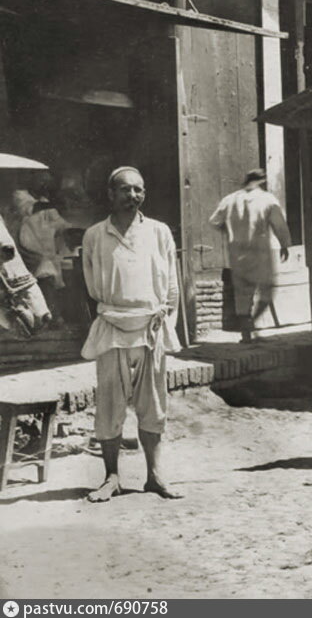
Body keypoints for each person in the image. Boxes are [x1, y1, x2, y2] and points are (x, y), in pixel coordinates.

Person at [81, 167, 183, 503]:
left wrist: (166, 319)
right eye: (125, 190)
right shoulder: (95, 235)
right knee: (109, 405)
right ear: (110, 194)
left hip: (151, 327)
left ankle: (154, 475)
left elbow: (171, 283)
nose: (133, 196)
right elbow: (92, 284)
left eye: (139, 190)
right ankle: (111, 477)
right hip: (112, 325)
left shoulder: (159, 232)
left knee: (153, 404)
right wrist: (113, 309)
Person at [209, 170, 292, 341]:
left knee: (243, 293)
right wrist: (284, 244)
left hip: (237, 253)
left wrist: (229, 231)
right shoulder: (267, 199)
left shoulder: (229, 200)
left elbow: (215, 221)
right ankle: (251, 323)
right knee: (267, 290)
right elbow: (279, 224)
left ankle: (246, 332)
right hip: (259, 252)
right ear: (261, 180)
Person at [19, 187, 72, 325]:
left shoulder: (46, 203)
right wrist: (54, 203)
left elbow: (61, 224)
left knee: (51, 275)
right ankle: (50, 316)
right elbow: (30, 208)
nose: (43, 183)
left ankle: (52, 315)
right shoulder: (19, 195)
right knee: (45, 271)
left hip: (45, 249)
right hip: (24, 244)